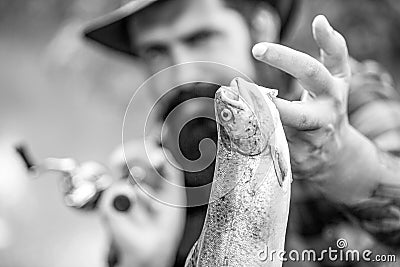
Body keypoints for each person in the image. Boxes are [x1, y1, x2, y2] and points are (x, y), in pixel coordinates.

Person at [79, 0, 400, 266]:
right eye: (155, 52)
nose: (182, 71)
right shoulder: (157, 170)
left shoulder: (344, 101)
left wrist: (344, 161)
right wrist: (149, 261)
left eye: (200, 37)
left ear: (261, 26)